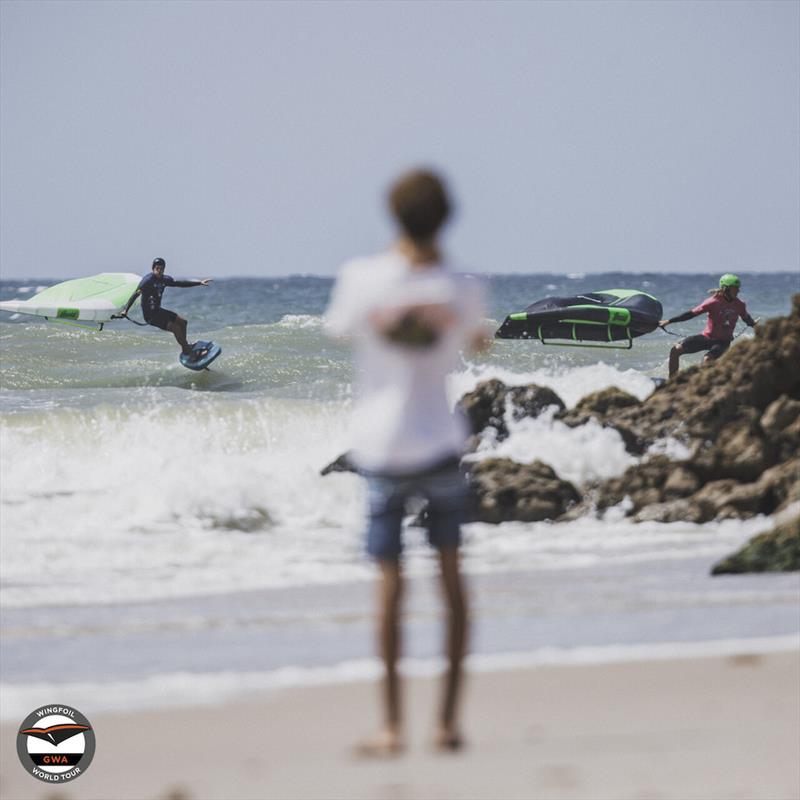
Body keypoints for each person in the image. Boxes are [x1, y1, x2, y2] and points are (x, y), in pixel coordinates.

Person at [324, 169, 489, 756]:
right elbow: (476, 339)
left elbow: (342, 328)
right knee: (452, 579)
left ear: (392, 215)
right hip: (442, 440)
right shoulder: (461, 287)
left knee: (390, 584)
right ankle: (447, 722)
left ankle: (391, 727)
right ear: (447, 217)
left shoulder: (362, 279)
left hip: (382, 447)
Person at [659, 273, 757, 378]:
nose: (738, 291)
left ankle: (699, 383)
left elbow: (746, 318)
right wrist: (669, 321)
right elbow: (691, 314)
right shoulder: (712, 302)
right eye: (734, 289)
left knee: (707, 360)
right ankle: (672, 381)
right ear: (725, 289)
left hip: (723, 342)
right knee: (675, 350)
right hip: (706, 338)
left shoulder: (739, 304)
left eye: (738, 288)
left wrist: (755, 326)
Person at [116, 258, 212, 359]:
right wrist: (125, 310)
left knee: (183, 322)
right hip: (150, 316)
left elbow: (180, 284)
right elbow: (135, 295)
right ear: (153, 268)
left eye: (161, 268)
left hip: (158, 311)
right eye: (157, 268)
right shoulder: (147, 281)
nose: (159, 270)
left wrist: (199, 283)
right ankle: (191, 354)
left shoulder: (165, 279)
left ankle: (185, 348)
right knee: (175, 328)